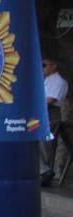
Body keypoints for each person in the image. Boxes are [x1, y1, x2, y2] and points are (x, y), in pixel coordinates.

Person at [41, 56, 68, 187]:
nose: (42, 68)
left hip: (50, 113)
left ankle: (46, 172)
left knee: (46, 144)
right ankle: (42, 171)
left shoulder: (58, 81)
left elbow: (51, 100)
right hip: (41, 114)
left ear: (54, 66)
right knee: (39, 144)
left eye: (44, 65)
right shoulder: (45, 80)